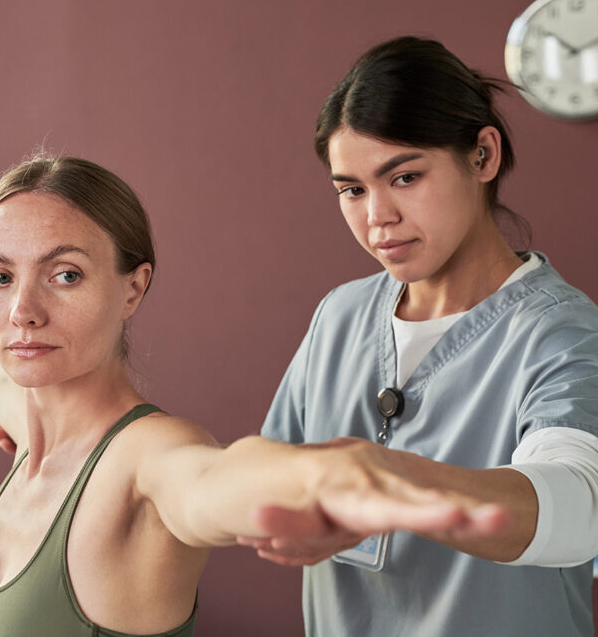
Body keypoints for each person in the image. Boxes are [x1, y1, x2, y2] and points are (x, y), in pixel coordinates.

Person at [0, 154, 502, 637]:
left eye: (65, 275)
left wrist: (324, 480)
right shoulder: (23, 416)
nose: (22, 312)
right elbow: (2, 383)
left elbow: (210, 481)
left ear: (133, 287)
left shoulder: (146, 459)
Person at [248, 36, 598, 636]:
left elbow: (578, 506)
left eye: (405, 177)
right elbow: (267, 477)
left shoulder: (563, 333)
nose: (377, 217)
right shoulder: (340, 315)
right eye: (352, 190)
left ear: (483, 156)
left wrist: (393, 483)